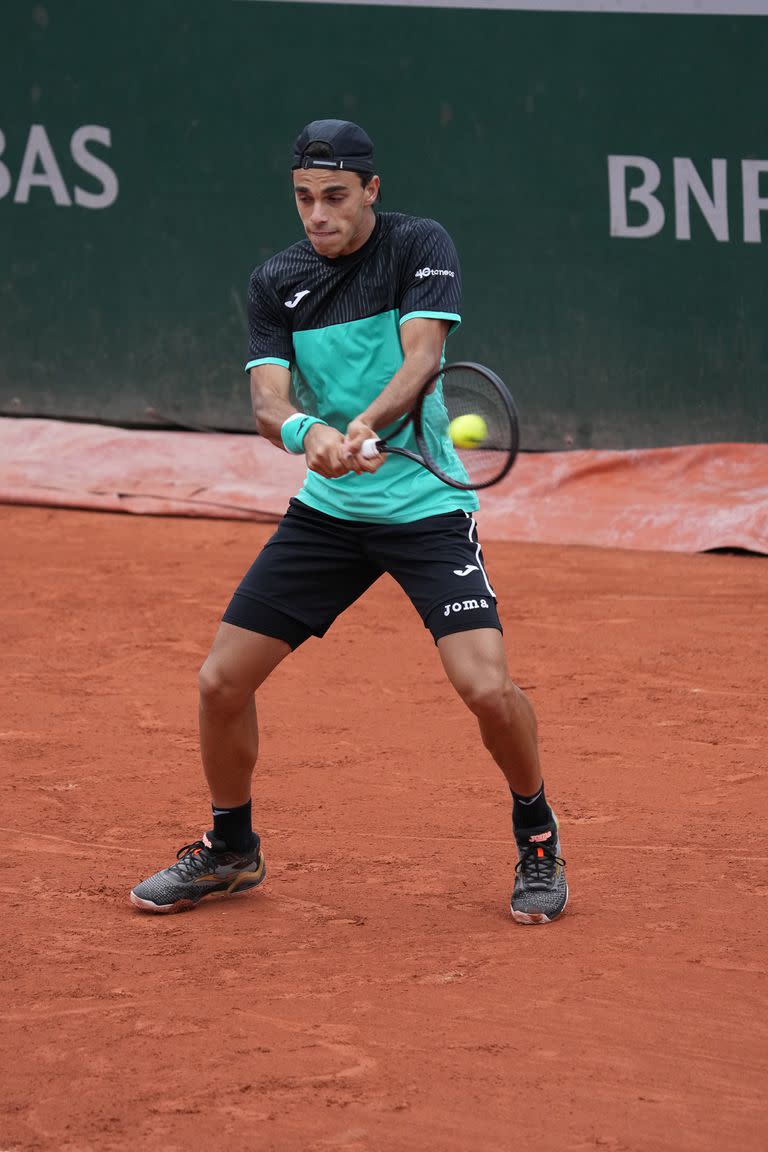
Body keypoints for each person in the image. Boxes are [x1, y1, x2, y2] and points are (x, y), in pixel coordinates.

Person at [130, 119, 568, 923]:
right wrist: (312, 434)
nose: (317, 214)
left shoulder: (416, 246)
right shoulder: (276, 282)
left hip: (426, 510)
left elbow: (423, 357)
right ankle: (233, 851)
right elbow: (269, 404)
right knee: (221, 682)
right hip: (328, 516)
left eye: (335, 196)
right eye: (304, 198)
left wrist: (361, 424)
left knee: (487, 689)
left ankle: (536, 834)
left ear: (372, 190)